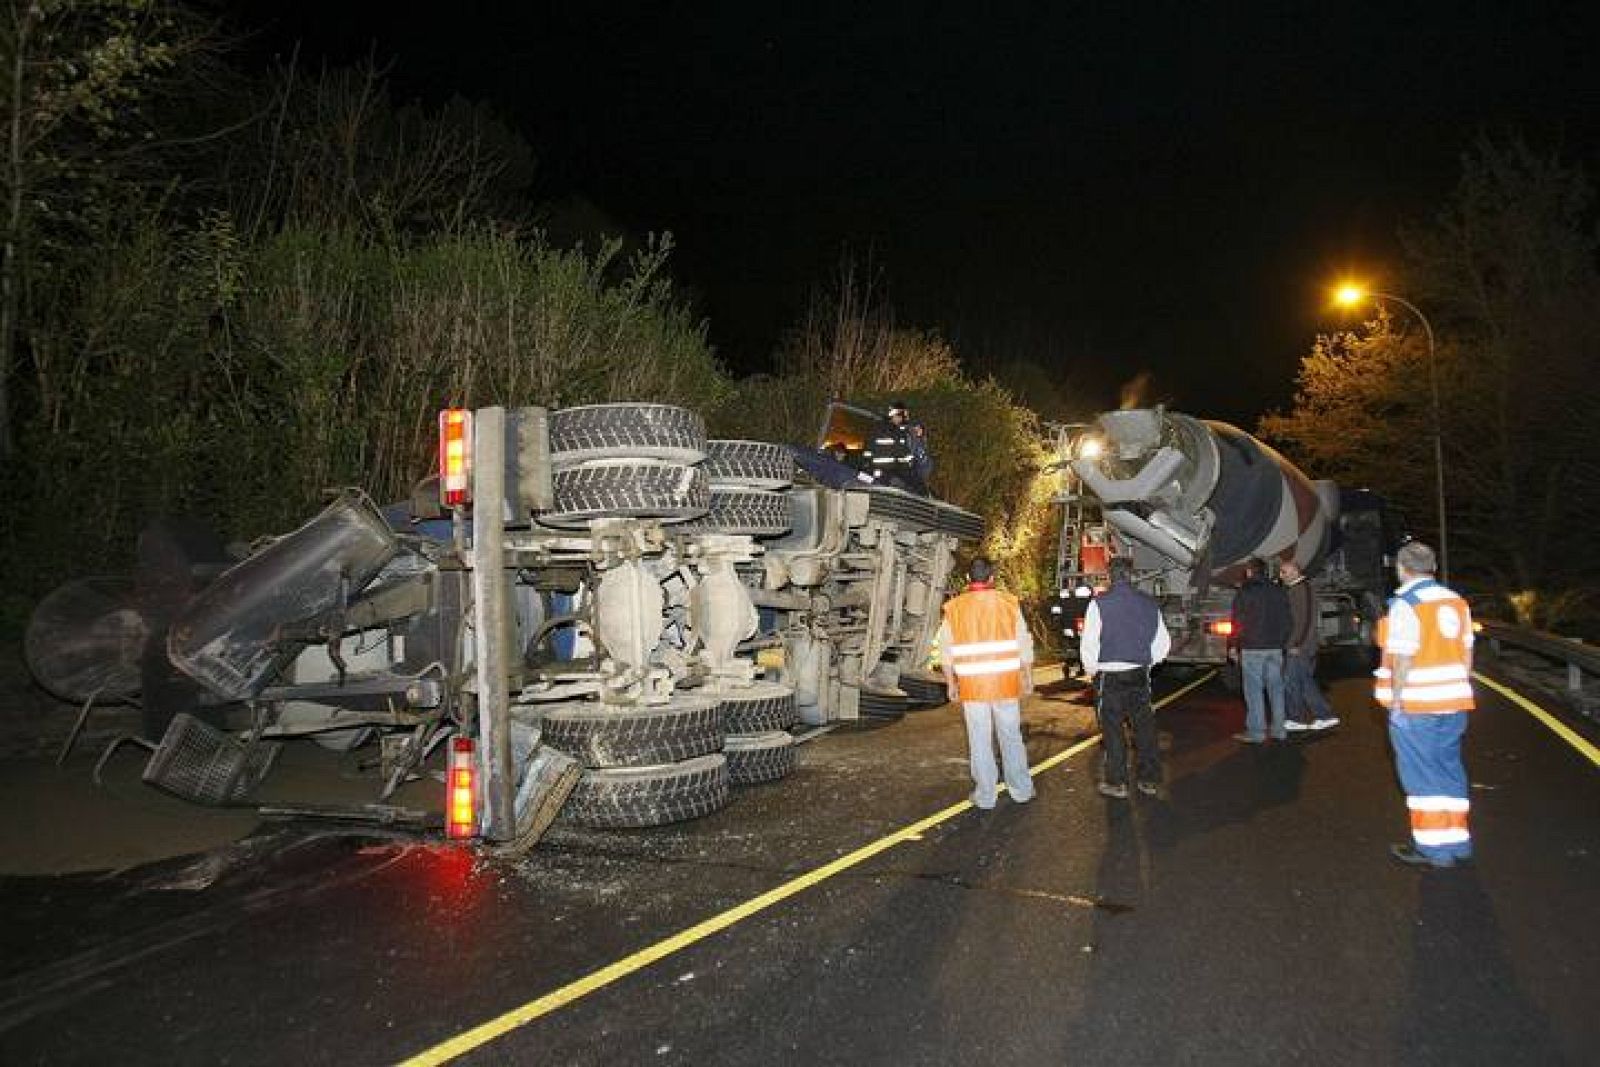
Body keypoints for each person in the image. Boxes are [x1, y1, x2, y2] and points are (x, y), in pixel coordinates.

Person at [1376, 541, 1476, 869]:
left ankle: (1434, 850)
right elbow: (1467, 653)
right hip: (1455, 701)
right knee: (1449, 769)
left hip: (1419, 705)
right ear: (1431, 567)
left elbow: (1403, 658)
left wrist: (1398, 704)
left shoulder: (1408, 604)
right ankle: (1458, 840)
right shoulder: (1456, 601)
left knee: (1421, 778)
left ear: (1401, 569)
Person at [939, 557, 1035, 809]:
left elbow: (946, 652)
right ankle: (1022, 790)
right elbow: (1023, 644)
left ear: (969, 579)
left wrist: (951, 683)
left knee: (979, 741)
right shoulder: (1009, 603)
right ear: (992, 578)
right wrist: (1028, 678)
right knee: (1011, 737)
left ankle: (986, 796)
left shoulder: (954, 608)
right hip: (1005, 683)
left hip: (973, 687)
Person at [1080, 555, 1171, 798]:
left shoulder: (1099, 604)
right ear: (1132, 576)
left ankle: (1117, 782)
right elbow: (1163, 644)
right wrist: (1147, 663)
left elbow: (1089, 645)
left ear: (1110, 576)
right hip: (1138, 674)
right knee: (1144, 728)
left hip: (1109, 676)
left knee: (1113, 730)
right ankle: (1149, 779)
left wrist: (1092, 671)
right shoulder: (1149, 604)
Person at [1229, 558, 1291, 743]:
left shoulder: (1245, 591)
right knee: (1276, 689)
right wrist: (1282, 641)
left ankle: (1257, 732)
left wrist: (1233, 646)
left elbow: (1237, 621)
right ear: (1265, 571)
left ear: (1249, 572)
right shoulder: (1279, 591)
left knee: (1254, 691)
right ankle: (1279, 729)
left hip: (1252, 647)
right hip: (1275, 648)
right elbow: (1288, 620)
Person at [1280, 559, 1339, 733]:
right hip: (1300, 645)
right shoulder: (1298, 589)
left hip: (1300, 646)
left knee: (1295, 681)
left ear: (1296, 571)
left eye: (1285, 572)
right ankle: (1305, 717)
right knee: (1301, 681)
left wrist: (1296, 643)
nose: (1281, 576)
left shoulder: (1302, 590)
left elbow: (1305, 621)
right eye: (1282, 572)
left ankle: (1320, 716)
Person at [872, 400, 932, 492]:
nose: (905, 417)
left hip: (890, 475)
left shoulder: (896, 430)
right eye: (903, 414)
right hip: (890, 475)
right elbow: (901, 452)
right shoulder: (894, 431)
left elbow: (922, 462)